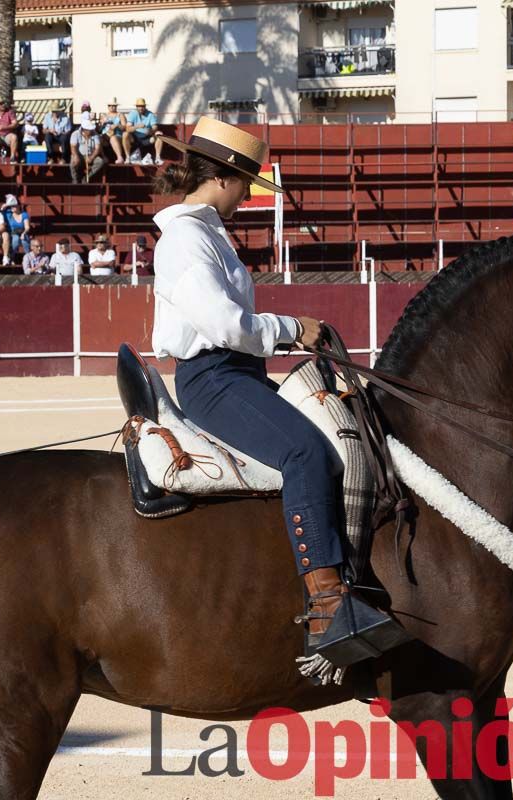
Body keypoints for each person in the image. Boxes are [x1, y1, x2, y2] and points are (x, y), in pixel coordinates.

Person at [151, 117, 401, 663]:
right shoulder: (187, 239)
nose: (246, 196)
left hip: (236, 373)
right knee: (303, 451)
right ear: (223, 178)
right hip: (213, 378)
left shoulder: (205, 233)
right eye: (245, 185)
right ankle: (327, 604)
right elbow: (224, 325)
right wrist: (290, 329)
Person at [123, 98, 162, 164]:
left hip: (147, 138)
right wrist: (137, 126)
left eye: (142, 106)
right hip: (134, 138)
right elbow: (127, 128)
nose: (140, 108)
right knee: (125, 134)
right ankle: (128, 157)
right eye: (139, 106)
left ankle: (158, 158)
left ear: (145, 106)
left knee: (159, 134)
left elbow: (155, 127)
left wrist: (151, 131)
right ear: (136, 107)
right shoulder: (133, 113)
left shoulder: (150, 114)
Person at [70, 119, 106, 183]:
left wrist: (91, 157)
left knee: (100, 161)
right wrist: (76, 156)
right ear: (84, 129)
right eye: (89, 130)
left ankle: (87, 177)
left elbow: (98, 148)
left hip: (91, 155)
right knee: (73, 162)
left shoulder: (95, 134)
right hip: (79, 155)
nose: (91, 130)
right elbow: (73, 147)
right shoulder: (75, 134)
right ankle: (75, 179)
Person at [101, 98, 127, 164]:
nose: (112, 107)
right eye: (110, 106)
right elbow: (99, 129)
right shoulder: (104, 115)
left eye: (114, 106)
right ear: (108, 107)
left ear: (116, 106)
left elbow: (125, 127)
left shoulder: (120, 115)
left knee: (113, 138)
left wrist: (117, 125)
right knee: (98, 138)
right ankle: (103, 157)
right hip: (105, 135)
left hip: (117, 135)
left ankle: (120, 157)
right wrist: (102, 124)